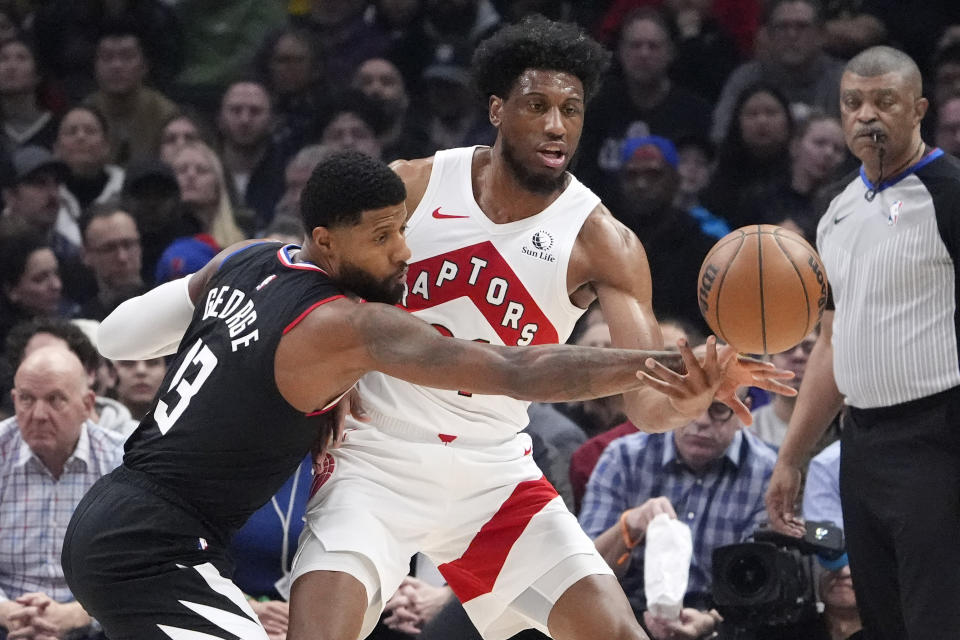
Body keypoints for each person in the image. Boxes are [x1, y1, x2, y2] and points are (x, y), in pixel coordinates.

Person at [62, 150, 791, 640]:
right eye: (382, 239)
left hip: (124, 513)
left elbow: (123, 338)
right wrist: (663, 360)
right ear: (325, 243)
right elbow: (516, 370)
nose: (404, 253)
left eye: (402, 231)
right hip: (156, 546)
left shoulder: (246, 259)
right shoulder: (350, 327)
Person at [288, 17, 793, 640]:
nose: (557, 125)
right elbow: (308, 289)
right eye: (538, 106)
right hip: (374, 460)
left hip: (493, 477)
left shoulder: (603, 241)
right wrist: (315, 397)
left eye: (572, 109)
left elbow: (644, 405)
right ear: (498, 110)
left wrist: (685, 400)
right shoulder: (417, 184)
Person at [765, 46, 960, 640]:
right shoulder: (836, 209)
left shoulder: (949, 194)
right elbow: (830, 344)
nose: (866, 115)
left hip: (939, 435)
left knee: (939, 621)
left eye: (884, 102)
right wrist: (792, 456)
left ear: (918, 109)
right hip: (862, 443)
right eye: (853, 103)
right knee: (885, 623)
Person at [578, 388, 775, 638]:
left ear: (742, 412)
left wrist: (711, 621)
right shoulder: (623, 458)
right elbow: (583, 575)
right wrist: (628, 527)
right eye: (689, 404)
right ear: (670, 403)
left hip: (726, 622)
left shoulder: (767, 473)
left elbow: (763, 589)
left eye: (718, 409)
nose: (701, 421)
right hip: (627, 617)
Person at [0, 346, 123, 639]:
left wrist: (74, 615)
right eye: (27, 399)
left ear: (87, 405)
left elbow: (141, 565)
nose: (39, 414)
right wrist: (9, 614)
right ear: (14, 399)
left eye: (55, 400)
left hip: (97, 623)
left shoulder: (123, 461)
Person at [749, 328, 818, 448]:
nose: (799, 356)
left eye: (809, 349)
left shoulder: (842, 427)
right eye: (786, 348)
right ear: (768, 361)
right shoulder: (749, 429)